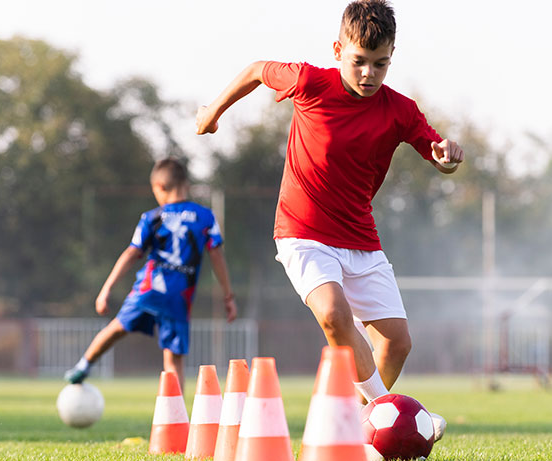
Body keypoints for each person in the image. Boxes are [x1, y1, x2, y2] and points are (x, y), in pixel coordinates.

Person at [195, 0, 462, 439]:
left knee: (397, 344)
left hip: (361, 239)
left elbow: (437, 154)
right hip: (302, 233)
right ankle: (389, 414)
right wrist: (211, 113)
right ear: (338, 49)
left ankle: (349, 430)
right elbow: (258, 69)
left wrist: (447, 155)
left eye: (381, 64)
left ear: (391, 57)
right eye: (359, 61)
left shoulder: (400, 110)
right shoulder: (309, 82)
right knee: (334, 315)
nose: (368, 74)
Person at [65, 158, 237, 392]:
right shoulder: (205, 216)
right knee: (173, 358)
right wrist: (228, 296)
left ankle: (84, 365)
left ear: (160, 188)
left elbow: (132, 253)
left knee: (116, 329)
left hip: (150, 289)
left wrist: (106, 289)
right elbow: (217, 256)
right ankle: (176, 417)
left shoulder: (153, 217)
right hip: (179, 295)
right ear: (186, 184)